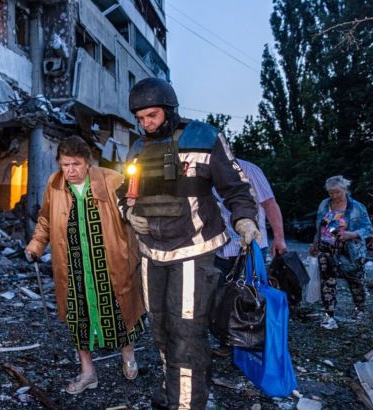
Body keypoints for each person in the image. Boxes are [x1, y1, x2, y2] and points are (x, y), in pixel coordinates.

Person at [122, 78, 259, 410]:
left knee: (186, 331)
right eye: (140, 118)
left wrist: (244, 218)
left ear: (169, 110)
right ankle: (176, 389)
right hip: (150, 252)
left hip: (194, 251)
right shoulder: (138, 148)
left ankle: (187, 403)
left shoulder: (205, 137)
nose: (146, 124)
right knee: (160, 328)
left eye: (152, 116)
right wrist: (128, 212)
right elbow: (126, 192)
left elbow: (237, 187)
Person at [26, 135, 145, 395]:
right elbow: (45, 220)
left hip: (110, 262)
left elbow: (133, 212)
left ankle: (128, 354)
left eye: (76, 164)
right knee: (79, 318)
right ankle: (88, 372)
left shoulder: (112, 180)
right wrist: (36, 245)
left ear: (88, 163)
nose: (70, 171)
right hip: (74, 266)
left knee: (121, 310)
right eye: (65, 165)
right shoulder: (54, 184)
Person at [309, 175, 373, 330]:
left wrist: (352, 234)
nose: (334, 195)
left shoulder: (357, 207)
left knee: (355, 281)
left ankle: (360, 310)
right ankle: (329, 315)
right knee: (327, 281)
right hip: (327, 249)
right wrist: (315, 243)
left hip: (351, 250)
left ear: (345, 189)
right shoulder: (324, 204)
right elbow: (319, 225)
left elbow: (368, 228)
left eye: (337, 192)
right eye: (330, 192)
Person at [214, 159, 287, 278]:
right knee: (217, 289)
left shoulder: (249, 169)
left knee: (251, 287)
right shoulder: (204, 171)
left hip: (250, 248)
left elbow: (269, 203)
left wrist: (279, 238)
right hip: (216, 251)